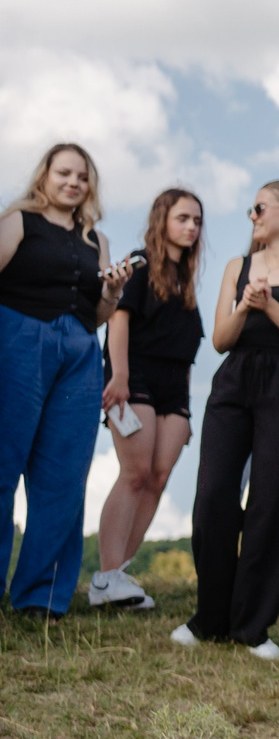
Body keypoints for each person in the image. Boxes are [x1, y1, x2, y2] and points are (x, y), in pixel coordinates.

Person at [178, 180, 279, 658]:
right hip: (234, 384)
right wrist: (247, 305)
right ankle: (210, 617)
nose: (252, 216)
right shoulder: (238, 266)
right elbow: (221, 340)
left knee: (272, 503)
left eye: (259, 208)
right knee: (212, 497)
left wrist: (273, 309)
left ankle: (252, 626)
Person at [0, 144, 129, 616]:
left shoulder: (97, 240)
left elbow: (99, 314)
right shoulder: (18, 221)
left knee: (65, 477)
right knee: (1, 465)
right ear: (45, 177)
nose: (74, 182)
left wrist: (112, 291)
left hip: (78, 351)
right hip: (16, 338)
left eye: (82, 176)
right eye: (64, 173)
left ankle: (40, 598)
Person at [91, 186, 206, 610]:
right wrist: (118, 376)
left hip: (175, 388)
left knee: (159, 477)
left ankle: (119, 574)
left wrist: (187, 410)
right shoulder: (137, 265)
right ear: (162, 221)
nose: (191, 226)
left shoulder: (186, 279)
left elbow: (187, 346)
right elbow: (116, 320)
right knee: (135, 473)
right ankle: (104, 578)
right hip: (134, 376)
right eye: (183, 218)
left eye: (196, 220)